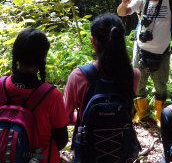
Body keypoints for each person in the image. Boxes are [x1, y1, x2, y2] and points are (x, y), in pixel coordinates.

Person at [117, 0, 172, 125]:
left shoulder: (171, 0)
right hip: (141, 50)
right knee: (138, 83)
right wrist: (124, 3)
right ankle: (141, 113)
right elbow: (122, 13)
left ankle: (159, 116)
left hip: (162, 52)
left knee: (161, 85)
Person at [64, 13, 141, 161]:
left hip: (88, 149)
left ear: (93, 41)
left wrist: (84, 116)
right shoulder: (133, 75)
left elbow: (64, 117)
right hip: (121, 148)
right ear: (121, 40)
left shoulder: (79, 76)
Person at [0, 28, 69, 162]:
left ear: (16, 55)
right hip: (40, 159)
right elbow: (62, 141)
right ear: (43, 58)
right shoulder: (51, 95)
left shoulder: (1, 85)